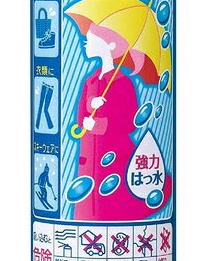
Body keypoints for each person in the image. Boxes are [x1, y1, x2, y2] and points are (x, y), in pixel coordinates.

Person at [73, 23, 171, 221]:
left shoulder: (122, 83)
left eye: (91, 39)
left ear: (110, 45)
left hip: (113, 156)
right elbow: (80, 116)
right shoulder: (90, 81)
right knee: (87, 207)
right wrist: (91, 104)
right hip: (89, 157)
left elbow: (129, 122)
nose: (86, 43)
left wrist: (99, 125)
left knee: (113, 206)